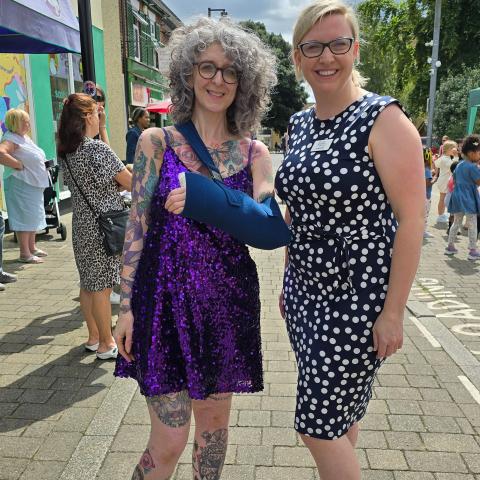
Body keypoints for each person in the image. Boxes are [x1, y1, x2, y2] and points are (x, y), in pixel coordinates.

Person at [114, 17, 276, 479]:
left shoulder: (254, 154)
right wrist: (125, 308)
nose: (217, 80)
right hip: (162, 304)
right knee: (167, 441)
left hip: (226, 307)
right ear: (187, 74)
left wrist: (222, 200)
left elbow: (268, 222)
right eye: (207, 67)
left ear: (243, 82)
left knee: (213, 438)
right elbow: (137, 228)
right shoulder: (155, 142)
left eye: (229, 71)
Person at [275, 2, 424, 479]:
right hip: (304, 291)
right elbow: (296, 208)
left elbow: (412, 221)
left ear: (355, 49)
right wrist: (286, 277)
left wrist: (394, 312)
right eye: (313, 46)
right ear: (298, 57)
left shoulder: (384, 119)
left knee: (316, 426)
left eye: (339, 43)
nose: (327, 56)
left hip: (358, 296)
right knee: (339, 416)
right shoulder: (298, 124)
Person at [57, 93, 132, 359]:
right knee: (102, 287)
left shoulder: (67, 151)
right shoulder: (95, 149)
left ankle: (93, 337)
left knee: (88, 283)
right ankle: (106, 343)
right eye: (98, 112)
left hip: (83, 225)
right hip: (104, 225)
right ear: (88, 116)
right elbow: (128, 181)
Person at [0, 109, 49, 263]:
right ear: (15, 123)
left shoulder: (23, 138)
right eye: (25, 121)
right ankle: (25, 253)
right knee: (24, 216)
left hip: (31, 185)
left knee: (33, 215)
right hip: (20, 185)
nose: (28, 124)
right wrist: (18, 165)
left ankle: (32, 247)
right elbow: (1, 154)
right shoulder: (10, 138)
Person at [444, 134, 480, 260]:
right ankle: (472, 250)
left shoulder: (459, 164)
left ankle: (450, 246)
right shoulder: (472, 167)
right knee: (472, 223)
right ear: (471, 153)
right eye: (479, 152)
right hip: (468, 197)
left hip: (457, 195)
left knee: (456, 222)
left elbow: (454, 178)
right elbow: (478, 182)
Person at [434, 139, 457, 223]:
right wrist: (456, 156)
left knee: (443, 198)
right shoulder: (446, 159)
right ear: (448, 149)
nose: (455, 150)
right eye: (454, 148)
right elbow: (454, 167)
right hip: (444, 181)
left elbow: (436, 163)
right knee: (442, 199)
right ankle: (440, 216)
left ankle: (442, 214)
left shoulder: (444, 158)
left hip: (442, 180)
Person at [424, 148, 434, 239]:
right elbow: (427, 183)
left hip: (420, 196)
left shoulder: (419, 167)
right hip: (426, 196)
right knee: (425, 215)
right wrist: (435, 179)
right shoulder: (427, 170)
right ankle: (423, 231)